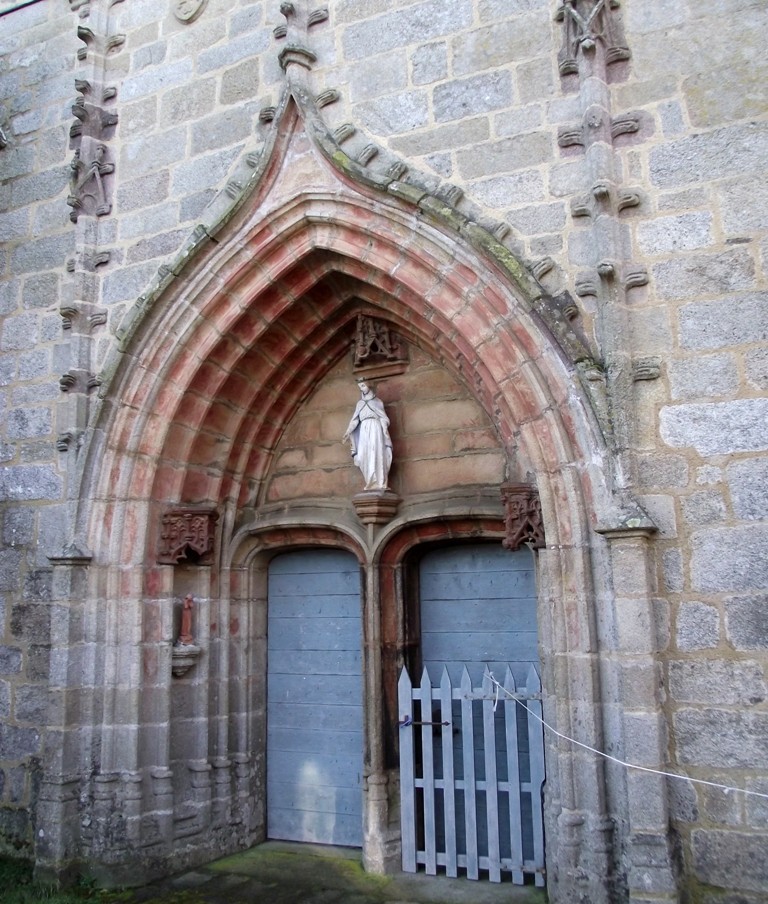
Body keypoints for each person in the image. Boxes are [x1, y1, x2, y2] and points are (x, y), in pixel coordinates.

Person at [343, 380, 393, 490]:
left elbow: (383, 417)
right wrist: (348, 431)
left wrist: (384, 427)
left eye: (362, 385)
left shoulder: (377, 402)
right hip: (364, 430)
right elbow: (355, 420)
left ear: (368, 385)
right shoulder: (359, 404)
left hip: (375, 428)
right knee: (362, 456)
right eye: (359, 386)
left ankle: (378, 482)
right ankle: (369, 481)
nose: (361, 388)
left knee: (376, 452)